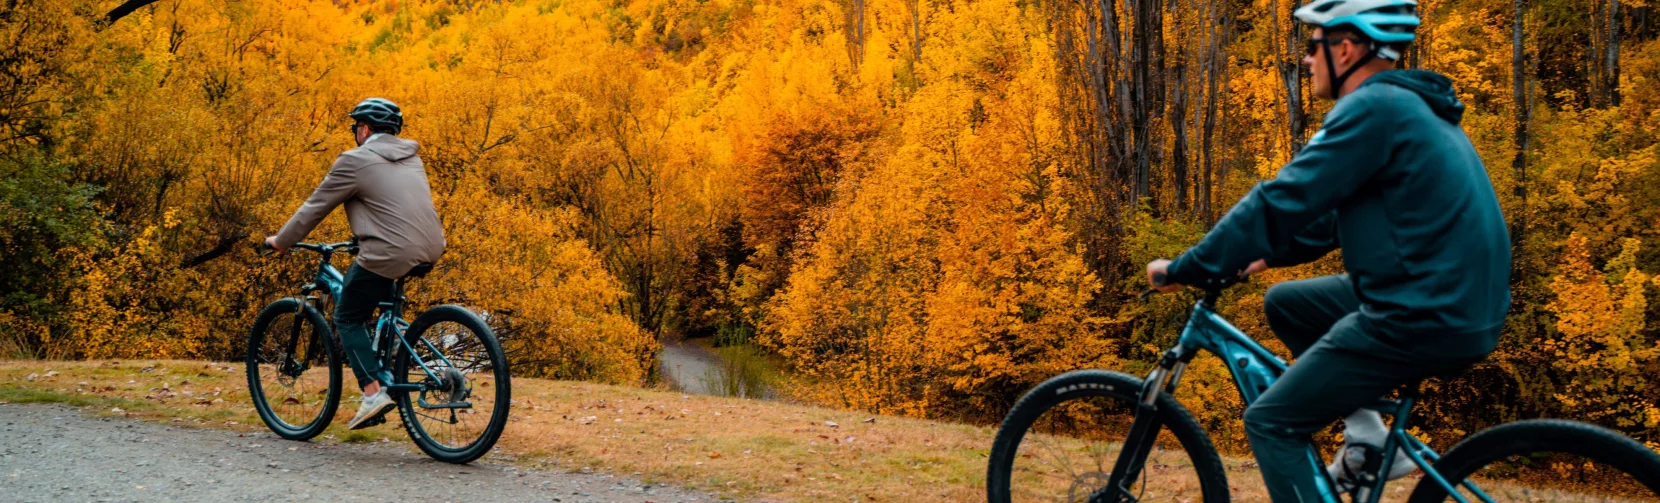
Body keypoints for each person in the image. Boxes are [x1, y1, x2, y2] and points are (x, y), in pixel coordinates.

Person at [1144, 0, 1512, 499]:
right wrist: (1267, 255)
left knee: (1272, 421)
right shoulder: (1410, 108)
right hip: (1452, 298)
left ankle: (1362, 443)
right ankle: (1368, 436)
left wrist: (1189, 266)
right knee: (1290, 304)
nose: (1307, 59)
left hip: (1423, 310)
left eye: (1313, 46)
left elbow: (1281, 199)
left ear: (1346, 48)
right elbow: (1333, 217)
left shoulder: (1374, 108)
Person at [265, 98, 446, 430]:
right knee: (379, 296)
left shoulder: (355, 160)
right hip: (430, 246)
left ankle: (373, 393)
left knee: (348, 316)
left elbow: (314, 208)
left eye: (356, 129)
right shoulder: (411, 157)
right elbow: (392, 208)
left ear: (364, 129)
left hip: (390, 251)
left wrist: (281, 241)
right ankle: (393, 353)